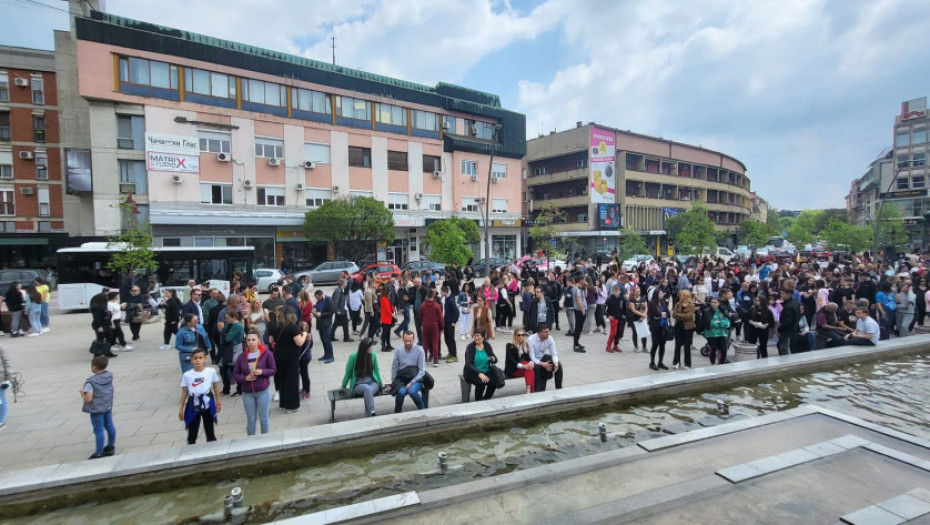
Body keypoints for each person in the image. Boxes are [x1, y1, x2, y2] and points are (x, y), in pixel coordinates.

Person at [232, 329, 276, 435]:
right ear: (246, 342)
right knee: (251, 420)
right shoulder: (242, 357)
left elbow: (273, 370)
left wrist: (262, 371)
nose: (251, 342)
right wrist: (245, 378)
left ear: (258, 341)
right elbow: (235, 374)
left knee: (264, 418)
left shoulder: (267, 354)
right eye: (248, 340)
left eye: (253, 340)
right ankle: (250, 442)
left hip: (262, 391)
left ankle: (264, 441)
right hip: (247, 393)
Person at [269, 307, 309, 413]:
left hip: (278, 357)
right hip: (290, 358)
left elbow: (271, 340)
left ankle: (282, 404)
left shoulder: (277, 326)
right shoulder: (292, 327)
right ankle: (291, 406)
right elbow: (299, 342)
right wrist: (304, 334)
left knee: (282, 380)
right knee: (291, 381)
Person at [178, 348, 221, 444]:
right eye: (195, 358)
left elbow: (216, 387)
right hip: (193, 403)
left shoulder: (211, 371)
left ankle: (212, 450)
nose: (198, 360)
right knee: (192, 432)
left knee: (210, 431)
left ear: (205, 359)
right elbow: (184, 392)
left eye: (200, 358)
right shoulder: (187, 375)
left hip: (207, 402)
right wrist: (181, 408)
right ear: (192, 360)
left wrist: (218, 402)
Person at [81, 355, 116, 459]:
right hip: (107, 405)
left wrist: (82, 393)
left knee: (98, 429)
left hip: (96, 409)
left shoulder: (90, 382)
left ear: (94, 367)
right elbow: (112, 389)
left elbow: (88, 399)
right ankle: (110, 446)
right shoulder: (109, 376)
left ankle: (99, 452)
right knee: (109, 425)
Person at [342, 338, 383, 417]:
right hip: (358, 384)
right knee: (367, 389)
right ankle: (372, 411)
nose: (373, 348)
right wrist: (344, 385)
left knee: (368, 391)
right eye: (371, 346)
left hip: (372, 382)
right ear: (365, 347)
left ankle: (369, 416)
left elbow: (377, 370)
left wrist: (380, 383)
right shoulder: (354, 357)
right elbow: (348, 372)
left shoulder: (373, 354)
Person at [390, 331, 427, 413]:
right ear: (403, 339)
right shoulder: (399, 350)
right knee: (401, 392)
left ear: (413, 340)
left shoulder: (419, 350)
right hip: (402, 377)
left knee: (412, 391)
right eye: (406, 341)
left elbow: (422, 370)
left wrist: (412, 382)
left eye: (410, 341)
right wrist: (394, 381)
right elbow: (394, 367)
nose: (408, 343)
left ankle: (423, 410)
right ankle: (397, 412)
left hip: (416, 377)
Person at [463, 330, 499, 401]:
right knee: (481, 382)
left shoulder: (487, 346)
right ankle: (479, 400)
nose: (476, 338)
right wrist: (479, 373)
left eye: (478, 336)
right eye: (475, 336)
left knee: (494, 381)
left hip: (486, 371)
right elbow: (468, 363)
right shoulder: (470, 347)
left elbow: (495, 359)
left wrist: (492, 358)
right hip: (473, 372)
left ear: (483, 337)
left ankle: (486, 399)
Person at [526, 325, 562, 391]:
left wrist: (555, 363)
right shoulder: (531, 339)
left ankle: (559, 388)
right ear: (539, 333)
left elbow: (554, 354)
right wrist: (543, 364)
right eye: (545, 332)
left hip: (542, 356)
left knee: (559, 364)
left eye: (548, 332)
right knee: (537, 368)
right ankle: (538, 389)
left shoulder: (550, 338)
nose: (548, 334)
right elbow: (532, 357)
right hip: (532, 360)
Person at [219, 309, 245, 396]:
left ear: (233, 317)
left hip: (234, 350)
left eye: (228, 318)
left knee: (234, 370)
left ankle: (239, 389)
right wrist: (228, 325)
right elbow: (222, 332)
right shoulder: (232, 324)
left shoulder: (237, 326)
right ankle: (227, 388)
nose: (226, 320)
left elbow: (228, 338)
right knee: (225, 369)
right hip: (230, 350)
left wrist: (226, 334)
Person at [504, 330, 535, 394]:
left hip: (523, 368)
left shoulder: (525, 345)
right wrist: (524, 366)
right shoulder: (510, 345)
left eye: (522, 335)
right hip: (513, 370)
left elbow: (528, 358)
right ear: (515, 336)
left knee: (530, 368)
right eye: (519, 335)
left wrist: (531, 363)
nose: (521, 337)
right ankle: (530, 390)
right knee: (528, 368)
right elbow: (511, 361)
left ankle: (528, 390)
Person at [672, 289, 696, 369]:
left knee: (687, 346)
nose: (679, 296)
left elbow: (689, 317)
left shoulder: (691, 305)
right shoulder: (677, 304)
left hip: (688, 327)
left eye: (681, 294)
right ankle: (676, 362)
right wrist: (683, 315)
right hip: (678, 326)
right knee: (677, 345)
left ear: (686, 296)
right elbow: (674, 314)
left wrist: (680, 315)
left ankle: (687, 363)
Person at [419, 290, 444, 367]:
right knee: (435, 343)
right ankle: (435, 360)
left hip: (425, 325)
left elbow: (420, 316)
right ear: (433, 296)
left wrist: (422, 324)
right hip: (434, 326)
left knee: (425, 343)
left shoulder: (422, 305)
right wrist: (442, 327)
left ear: (426, 296)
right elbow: (440, 318)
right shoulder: (437, 306)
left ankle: (425, 360)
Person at [647, 288, 670, 371]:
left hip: (663, 326)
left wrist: (662, 315)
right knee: (655, 344)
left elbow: (668, 313)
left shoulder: (663, 303)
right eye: (660, 293)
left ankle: (660, 362)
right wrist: (661, 314)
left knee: (662, 344)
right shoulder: (652, 303)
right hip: (655, 326)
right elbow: (653, 314)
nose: (662, 294)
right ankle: (652, 362)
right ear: (656, 294)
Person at [705, 297, 731, 365]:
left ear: (718, 303)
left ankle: (721, 363)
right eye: (712, 302)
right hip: (711, 334)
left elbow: (727, 323)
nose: (713, 304)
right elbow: (710, 323)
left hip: (722, 333)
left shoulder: (723, 311)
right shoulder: (707, 311)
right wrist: (720, 323)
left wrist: (718, 323)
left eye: (715, 302)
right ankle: (712, 363)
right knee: (713, 349)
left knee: (723, 350)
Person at [312, 289, 335, 363]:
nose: (317, 299)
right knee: (323, 340)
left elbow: (331, 312)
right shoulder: (319, 301)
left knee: (327, 340)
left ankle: (331, 356)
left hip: (326, 323)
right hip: (320, 323)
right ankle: (326, 354)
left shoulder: (329, 300)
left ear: (321, 295)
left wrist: (321, 314)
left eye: (317, 297)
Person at [777, 286, 800, 356]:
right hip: (792, 329)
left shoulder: (789, 306)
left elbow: (788, 321)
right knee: (782, 346)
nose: (781, 295)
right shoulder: (794, 303)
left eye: (782, 293)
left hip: (787, 331)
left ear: (788, 294)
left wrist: (780, 328)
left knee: (785, 348)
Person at [604, 284, 626, 353]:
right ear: (613, 291)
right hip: (613, 317)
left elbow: (624, 308)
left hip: (620, 317)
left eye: (618, 291)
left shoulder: (622, 299)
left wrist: (624, 315)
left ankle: (615, 345)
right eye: (615, 291)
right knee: (613, 332)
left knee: (619, 332)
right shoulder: (610, 298)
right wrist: (608, 315)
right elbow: (605, 307)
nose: (616, 292)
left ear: (620, 291)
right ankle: (608, 346)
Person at [441, 285, 459, 363]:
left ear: (445, 292)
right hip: (446, 322)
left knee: (451, 339)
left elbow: (457, 312)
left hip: (450, 324)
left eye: (442, 291)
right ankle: (450, 353)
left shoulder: (451, 300)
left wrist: (454, 322)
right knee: (446, 339)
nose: (441, 293)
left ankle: (454, 356)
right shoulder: (446, 299)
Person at [379, 284, 396, 352]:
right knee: (385, 332)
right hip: (386, 318)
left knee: (388, 332)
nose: (390, 292)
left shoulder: (386, 298)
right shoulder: (384, 299)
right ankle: (383, 346)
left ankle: (388, 345)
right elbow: (387, 309)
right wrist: (392, 315)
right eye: (389, 291)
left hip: (388, 318)